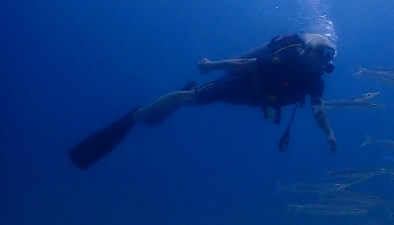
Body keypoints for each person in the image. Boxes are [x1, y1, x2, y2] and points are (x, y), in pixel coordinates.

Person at [69, 33, 338, 169]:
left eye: (327, 59)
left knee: (192, 98)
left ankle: (156, 110)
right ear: (310, 52)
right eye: (320, 56)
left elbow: (318, 109)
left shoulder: (315, 80)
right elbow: (244, 64)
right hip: (240, 85)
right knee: (190, 98)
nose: (322, 64)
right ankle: (138, 115)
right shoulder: (284, 57)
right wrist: (212, 65)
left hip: (256, 101)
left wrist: (329, 133)